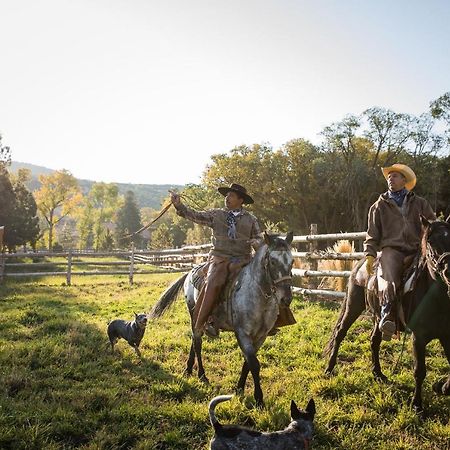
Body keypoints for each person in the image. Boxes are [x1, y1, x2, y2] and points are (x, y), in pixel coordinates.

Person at [171, 183, 295, 337]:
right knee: (214, 282)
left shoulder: (251, 219)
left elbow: (259, 238)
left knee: (267, 279)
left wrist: (256, 242)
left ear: (241, 200)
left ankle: (272, 320)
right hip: (219, 260)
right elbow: (195, 215)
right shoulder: (216, 215)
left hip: (243, 260)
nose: (227, 198)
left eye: (231, 196)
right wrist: (179, 206)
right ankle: (206, 321)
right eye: (227, 195)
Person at [363, 164, 436, 340]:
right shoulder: (378, 206)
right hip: (391, 250)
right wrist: (370, 255)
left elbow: (432, 226)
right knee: (389, 277)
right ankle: (387, 315)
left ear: (404, 181)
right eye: (389, 176)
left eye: (395, 176)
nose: (390, 178)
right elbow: (372, 234)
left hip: (418, 249)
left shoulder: (420, 203)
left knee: (438, 272)